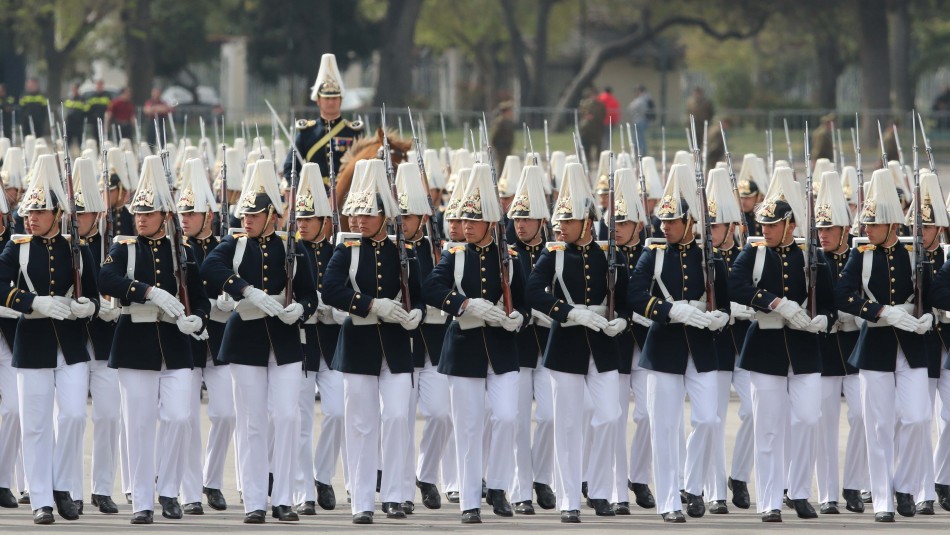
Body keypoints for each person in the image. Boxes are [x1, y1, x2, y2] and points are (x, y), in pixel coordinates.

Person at [200, 159, 318, 523]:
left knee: (286, 417)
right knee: (251, 422)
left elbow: (310, 295)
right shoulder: (234, 244)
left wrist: (298, 309)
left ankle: (283, 497)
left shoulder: (292, 247)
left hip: (284, 341)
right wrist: (247, 290)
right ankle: (254, 500)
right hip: (246, 339)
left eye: (254, 215)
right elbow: (209, 269)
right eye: (244, 215)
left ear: (272, 215)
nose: (246, 221)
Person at [98, 155, 208, 524]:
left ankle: (169, 490)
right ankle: (143, 501)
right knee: (140, 426)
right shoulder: (125, 247)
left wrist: (199, 319)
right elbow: (106, 280)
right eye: (137, 213)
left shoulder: (183, 251)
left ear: (165, 215)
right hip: (135, 345)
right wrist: (147, 292)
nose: (140, 219)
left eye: (148, 213)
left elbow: (199, 296)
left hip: (176, 345)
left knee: (179, 418)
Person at [730, 167, 835, 522]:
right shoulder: (755, 253)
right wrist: (775, 302)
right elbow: (735, 285)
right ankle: (771, 500)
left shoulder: (811, 256)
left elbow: (832, 300)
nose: (766, 231)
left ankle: (800, 491)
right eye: (764, 225)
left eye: (773, 225)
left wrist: (826, 320)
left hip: (805, 350)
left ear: (790, 224)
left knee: (808, 419)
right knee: (768, 428)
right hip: (766, 350)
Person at [423, 163, 525, 524]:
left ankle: (497, 485)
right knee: (467, 427)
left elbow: (525, 298)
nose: (465, 226)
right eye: (463, 221)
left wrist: (519, 317)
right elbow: (431, 287)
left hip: (501, 349)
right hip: (464, 347)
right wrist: (463, 303)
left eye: (473, 221)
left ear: (490, 224)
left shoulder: (508, 257)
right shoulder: (455, 255)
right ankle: (469, 499)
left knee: (508, 417)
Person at [321, 158, 422, 524]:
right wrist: (368, 304)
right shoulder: (346, 250)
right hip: (359, 345)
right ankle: (362, 500)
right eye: (354, 215)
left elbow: (421, 293)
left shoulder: (402, 251)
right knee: (361, 424)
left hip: (395, 346)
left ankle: (395, 495)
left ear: (384, 215)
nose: (357, 222)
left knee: (397, 418)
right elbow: (331, 290)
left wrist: (418, 314)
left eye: (366, 215)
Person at [626, 163, 729, 523]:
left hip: (701, 348)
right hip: (664, 347)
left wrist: (721, 317)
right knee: (664, 427)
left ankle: (693, 485)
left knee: (708, 421)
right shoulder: (653, 254)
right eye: (662, 222)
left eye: (672, 222)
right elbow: (636, 296)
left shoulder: (709, 257)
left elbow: (726, 302)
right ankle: (669, 500)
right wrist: (671, 311)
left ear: (689, 222)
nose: (664, 227)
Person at [0, 154, 98, 524]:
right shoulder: (18, 246)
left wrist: (85, 306)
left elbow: (91, 292)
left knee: (73, 416)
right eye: (29, 211)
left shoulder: (77, 247)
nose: (32, 217)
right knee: (36, 423)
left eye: (40, 211)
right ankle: (42, 498)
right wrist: (32, 302)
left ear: (58, 213)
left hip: (71, 344)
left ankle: (61, 484)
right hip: (33, 343)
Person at [835, 168, 936, 522]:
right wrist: (879, 312)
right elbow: (842, 295)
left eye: (874, 225)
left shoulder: (914, 254)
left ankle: (906, 485)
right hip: (876, 346)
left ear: (893, 225)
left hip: (912, 345)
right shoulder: (861, 255)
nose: (867, 230)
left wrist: (931, 317)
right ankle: (882, 499)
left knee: (918, 418)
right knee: (878, 425)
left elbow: (936, 294)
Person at [175, 158, 234, 515]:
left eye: (192, 212)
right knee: (186, 418)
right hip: (186, 340)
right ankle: (189, 491)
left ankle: (212, 481)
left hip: (221, 339)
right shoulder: (171, 248)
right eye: (182, 211)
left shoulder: (224, 245)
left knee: (226, 413)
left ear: (208, 215)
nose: (185, 218)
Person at [811, 170, 870, 515]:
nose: (823, 235)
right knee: (823, 422)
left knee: (862, 416)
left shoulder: (859, 256)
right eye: (819, 229)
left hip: (855, 346)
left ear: (845, 230)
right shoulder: (812, 259)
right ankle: (828, 492)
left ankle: (854, 484)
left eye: (829, 229)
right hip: (822, 347)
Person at [290, 162, 345, 514]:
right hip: (300, 340)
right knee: (300, 420)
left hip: (334, 341)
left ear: (325, 221)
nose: (303, 225)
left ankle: (322, 475)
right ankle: (302, 491)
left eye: (309, 220)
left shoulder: (339, 249)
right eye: (300, 220)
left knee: (338, 413)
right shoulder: (290, 250)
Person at [68, 157, 121, 515]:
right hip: (71, 339)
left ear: (98, 215)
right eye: (74, 213)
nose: (77, 220)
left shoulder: (115, 243)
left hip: (106, 340)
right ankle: (69, 489)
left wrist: (113, 306)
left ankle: (102, 488)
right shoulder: (61, 245)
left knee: (108, 416)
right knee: (71, 418)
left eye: (84, 214)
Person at [506, 162, 556, 514]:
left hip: (552, 344)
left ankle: (542, 476)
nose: (519, 225)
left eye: (526, 219)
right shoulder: (505, 254)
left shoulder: (556, 252)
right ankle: (521, 489)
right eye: (516, 219)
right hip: (519, 344)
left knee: (552, 417)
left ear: (542, 221)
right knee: (518, 419)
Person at [702, 167, 751, 515]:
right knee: (714, 418)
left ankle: (740, 475)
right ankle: (714, 489)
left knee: (755, 411)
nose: (710, 233)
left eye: (716, 226)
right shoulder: (701, 255)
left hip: (747, 343)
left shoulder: (749, 253)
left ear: (732, 227)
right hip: (715, 343)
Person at [284, 53, 363, 187]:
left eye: (334, 98)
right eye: (327, 98)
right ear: (318, 101)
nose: (331, 102)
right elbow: (290, 166)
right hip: (312, 192)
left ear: (341, 100)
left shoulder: (352, 131)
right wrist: (298, 189)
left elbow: (363, 165)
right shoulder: (307, 132)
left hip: (346, 193)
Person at [580, 87, 605, 164]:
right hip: (586, 129)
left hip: (596, 128)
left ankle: (599, 163)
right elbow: (581, 114)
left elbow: (603, 114)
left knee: (598, 147)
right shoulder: (584, 103)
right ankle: (587, 163)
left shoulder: (600, 105)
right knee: (586, 147)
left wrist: (595, 118)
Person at [626, 86, 653, 154]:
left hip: (640, 121)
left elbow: (632, 107)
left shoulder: (642, 99)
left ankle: (641, 152)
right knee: (638, 138)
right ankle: (639, 151)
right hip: (640, 120)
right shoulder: (645, 99)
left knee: (639, 138)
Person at [490, 101, 515, 166]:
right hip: (501, 149)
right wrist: (492, 145)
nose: (511, 112)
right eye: (510, 111)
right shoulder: (500, 122)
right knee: (502, 166)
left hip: (507, 148)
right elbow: (495, 135)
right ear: (505, 112)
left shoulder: (509, 121)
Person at [63, 84, 87, 151]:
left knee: (80, 142)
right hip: (69, 124)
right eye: (72, 89)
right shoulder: (68, 99)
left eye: (75, 89)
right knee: (68, 142)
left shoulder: (82, 99)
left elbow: (86, 110)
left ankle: (81, 154)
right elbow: (64, 111)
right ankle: (67, 154)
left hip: (79, 124)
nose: (74, 91)